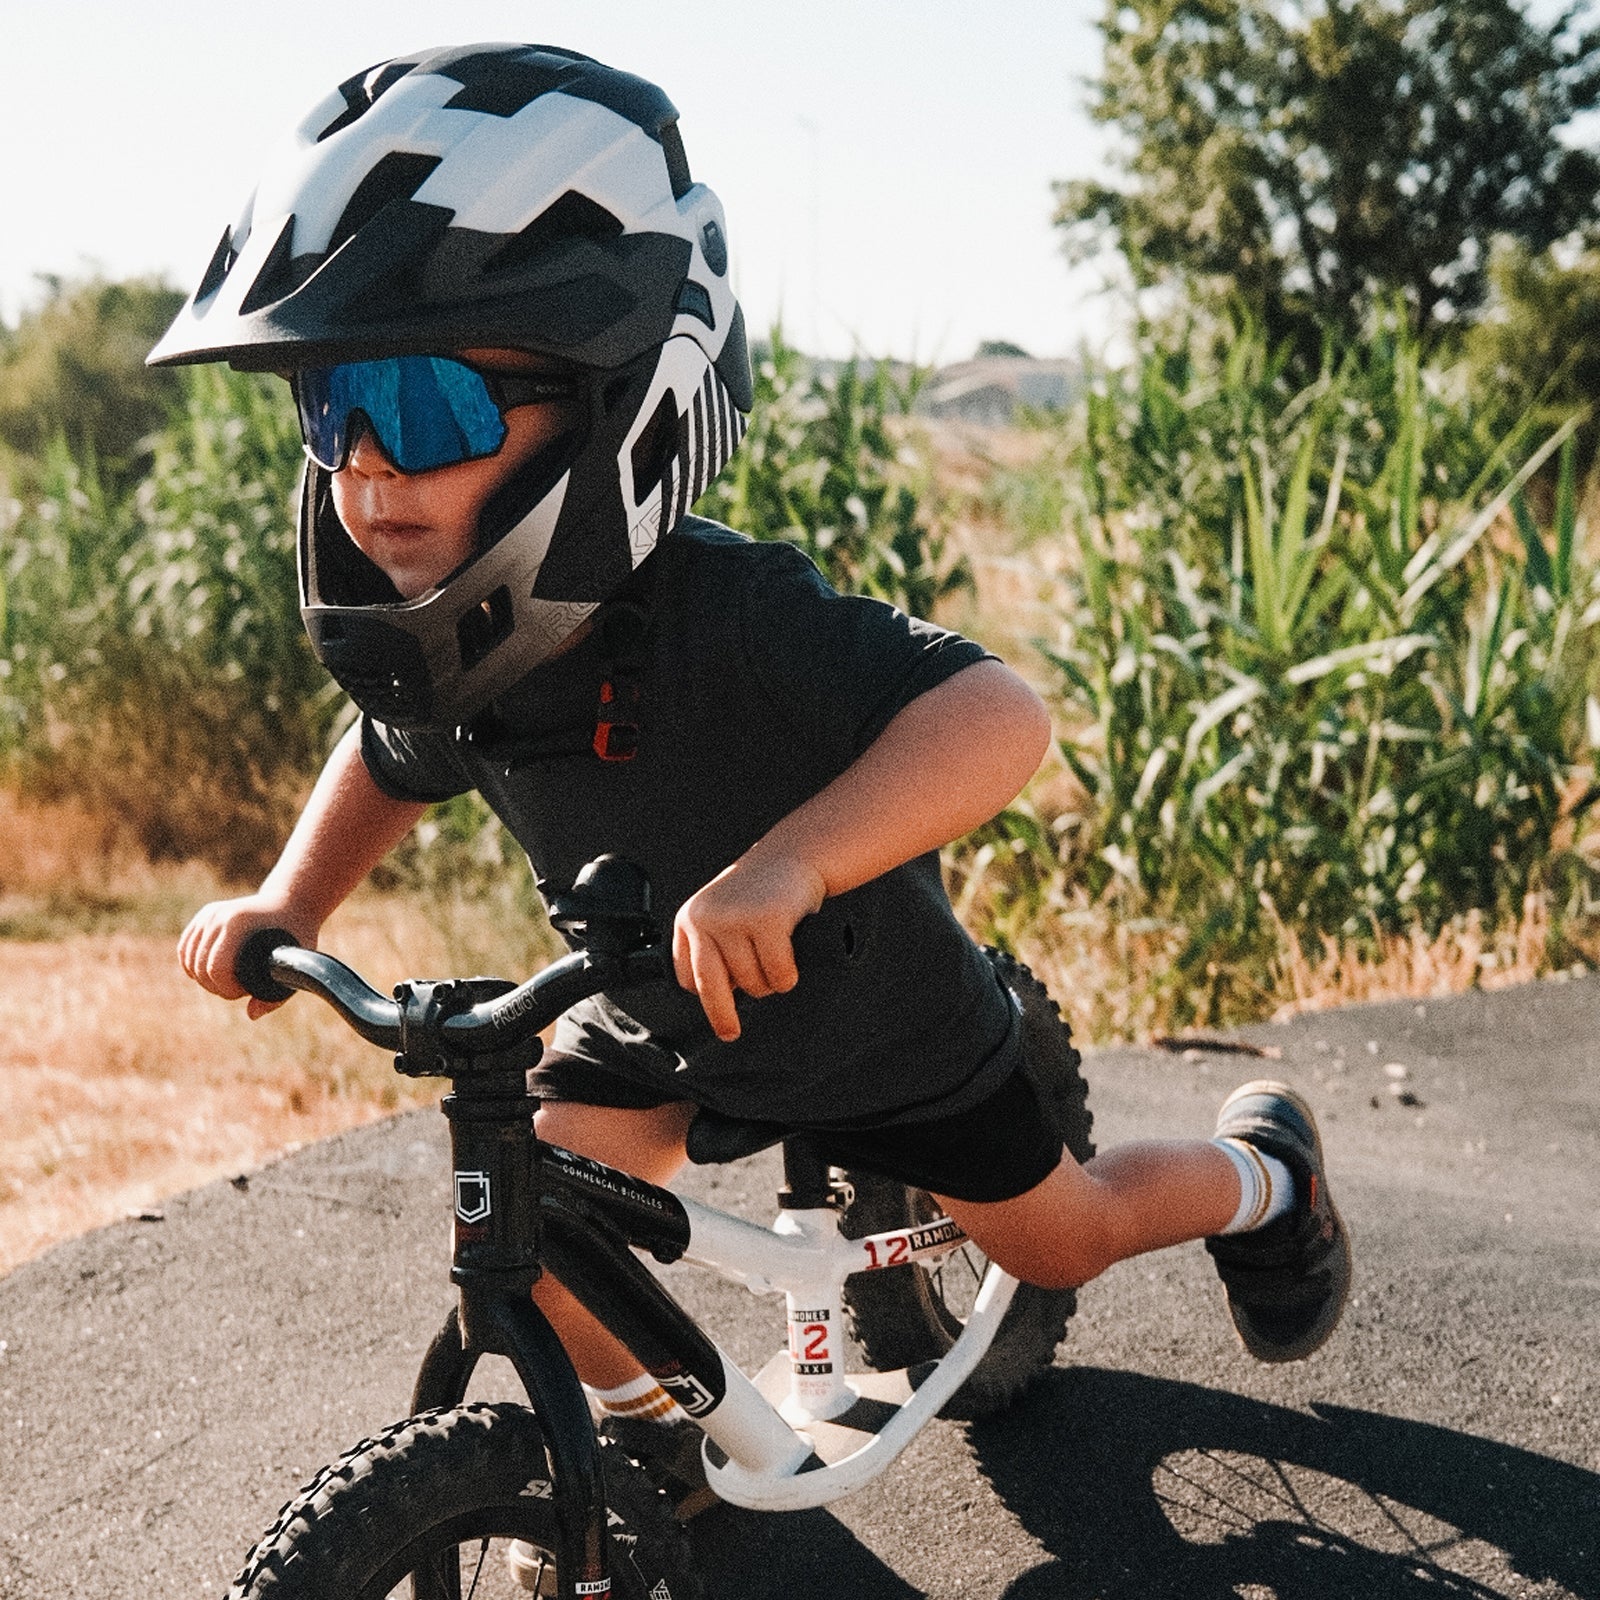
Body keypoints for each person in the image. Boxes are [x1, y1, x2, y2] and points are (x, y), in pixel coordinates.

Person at [158, 43, 1351, 1521]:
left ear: (608, 405)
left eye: (426, 406)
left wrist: (791, 865)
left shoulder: (725, 615)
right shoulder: (469, 636)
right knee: (543, 1236)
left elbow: (995, 715)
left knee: (1061, 1237)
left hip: (878, 1021)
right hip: (651, 1012)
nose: (366, 470)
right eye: (333, 410)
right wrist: (290, 901)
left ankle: (1265, 1175)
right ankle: (658, 1445)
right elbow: (391, 755)